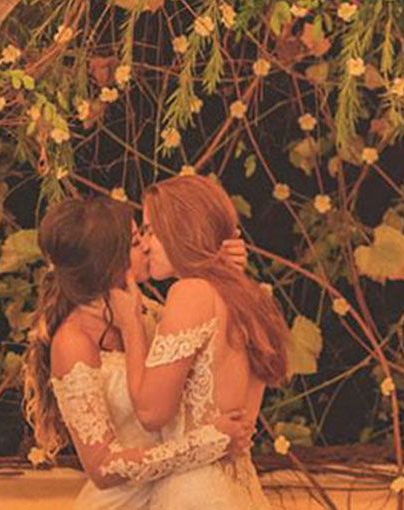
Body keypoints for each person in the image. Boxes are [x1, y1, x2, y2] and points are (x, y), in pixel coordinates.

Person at [22, 196, 250, 509]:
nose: (146, 245)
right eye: (134, 240)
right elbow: (102, 468)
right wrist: (207, 443)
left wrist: (216, 264)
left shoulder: (149, 312)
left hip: (177, 492)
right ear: (106, 259)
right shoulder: (73, 342)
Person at [111, 175, 290, 509]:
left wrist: (130, 325)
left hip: (194, 493)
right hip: (241, 491)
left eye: (152, 230)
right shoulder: (248, 298)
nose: (146, 244)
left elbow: (151, 412)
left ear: (183, 230)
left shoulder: (191, 292)